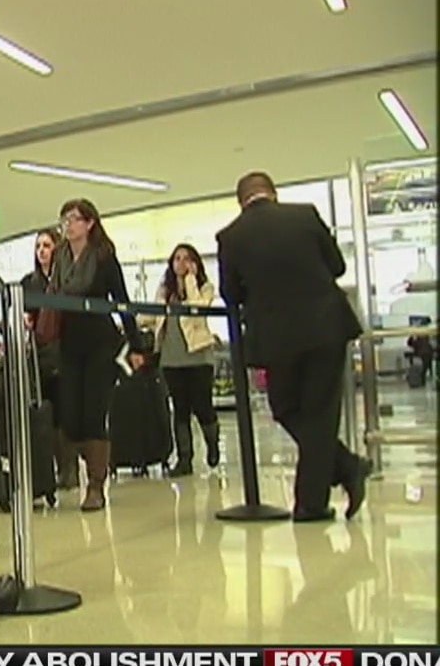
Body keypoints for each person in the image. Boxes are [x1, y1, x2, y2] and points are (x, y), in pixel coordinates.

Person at [216, 171, 370, 522]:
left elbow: (231, 294)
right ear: (273, 193)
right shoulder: (305, 215)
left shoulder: (230, 236)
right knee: (320, 410)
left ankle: (316, 498)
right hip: (325, 327)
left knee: (285, 408)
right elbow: (337, 265)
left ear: (241, 201)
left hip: (275, 337)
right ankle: (344, 469)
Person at [51, 199, 141, 512]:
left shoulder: (103, 258)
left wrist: (137, 345)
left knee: (93, 413)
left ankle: (96, 486)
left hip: (101, 343)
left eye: (75, 219)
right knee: (70, 413)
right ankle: (70, 470)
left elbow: (122, 301)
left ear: (90, 223)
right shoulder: (60, 258)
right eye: (65, 219)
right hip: (70, 343)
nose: (69, 224)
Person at [138, 243, 220, 477]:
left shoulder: (205, 288)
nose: (181, 263)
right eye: (177, 258)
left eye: (186, 259)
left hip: (198, 356)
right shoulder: (164, 290)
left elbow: (196, 308)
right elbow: (152, 315)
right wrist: (128, 321)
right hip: (171, 359)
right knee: (180, 408)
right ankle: (185, 459)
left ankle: (212, 443)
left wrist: (191, 280)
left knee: (203, 406)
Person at [19, 228, 79, 493]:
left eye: (46, 245)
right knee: (48, 410)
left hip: (65, 349)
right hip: (40, 352)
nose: (42, 250)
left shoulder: (67, 278)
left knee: (66, 409)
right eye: (38, 246)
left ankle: (70, 468)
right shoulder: (28, 282)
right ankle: (57, 467)